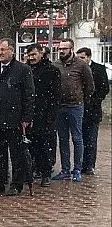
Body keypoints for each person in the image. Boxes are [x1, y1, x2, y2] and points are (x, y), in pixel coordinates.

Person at [0, 38, 35, 196]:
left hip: (15, 119)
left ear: (12, 51)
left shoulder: (22, 69)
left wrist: (27, 117)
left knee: (17, 154)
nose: (0, 53)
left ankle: (16, 184)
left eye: (3, 50)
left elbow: (29, 94)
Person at [52, 38, 95, 182]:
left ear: (71, 49)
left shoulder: (81, 65)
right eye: (60, 49)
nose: (62, 51)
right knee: (63, 139)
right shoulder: (55, 65)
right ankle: (65, 169)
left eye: (64, 48)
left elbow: (90, 86)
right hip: (60, 106)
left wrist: (83, 99)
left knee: (77, 138)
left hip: (75, 106)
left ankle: (77, 169)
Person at [26, 43, 61, 187]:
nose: (32, 58)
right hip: (30, 113)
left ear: (41, 53)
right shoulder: (26, 70)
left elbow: (55, 95)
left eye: (34, 54)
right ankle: (33, 169)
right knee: (31, 145)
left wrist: (51, 115)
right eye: (29, 55)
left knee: (45, 144)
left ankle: (46, 172)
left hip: (45, 113)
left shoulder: (52, 71)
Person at [76, 47, 110, 175]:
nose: (81, 60)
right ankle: (80, 164)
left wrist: (93, 100)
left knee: (90, 139)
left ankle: (89, 165)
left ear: (89, 57)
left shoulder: (99, 69)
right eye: (78, 58)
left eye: (83, 58)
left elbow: (104, 88)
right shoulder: (76, 69)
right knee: (79, 138)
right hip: (79, 108)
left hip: (92, 110)